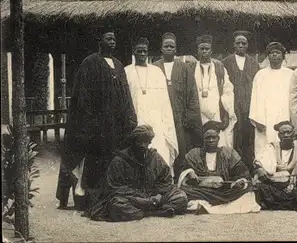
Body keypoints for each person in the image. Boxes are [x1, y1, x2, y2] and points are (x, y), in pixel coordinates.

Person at [56, 27, 137, 211]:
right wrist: (90, 121)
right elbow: (82, 96)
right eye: (108, 38)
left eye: (114, 39)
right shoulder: (89, 63)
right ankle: (86, 198)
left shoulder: (118, 65)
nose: (112, 41)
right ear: (99, 41)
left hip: (115, 127)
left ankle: (109, 196)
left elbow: (126, 95)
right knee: (92, 164)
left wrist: (129, 117)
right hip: (97, 127)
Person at [87, 125, 188, 222]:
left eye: (147, 142)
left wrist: (158, 195)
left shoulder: (155, 157)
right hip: (133, 199)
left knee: (181, 197)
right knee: (116, 205)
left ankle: (148, 210)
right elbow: (114, 187)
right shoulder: (119, 160)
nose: (144, 146)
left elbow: (165, 180)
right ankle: (153, 213)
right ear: (133, 142)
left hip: (154, 197)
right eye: (140, 142)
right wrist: (141, 198)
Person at [178, 121, 260, 214]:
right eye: (208, 138)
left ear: (218, 138)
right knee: (184, 191)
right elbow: (183, 169)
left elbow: (242, 172)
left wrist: (239, 182)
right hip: (202, 191)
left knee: (248, 190)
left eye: (214, 137)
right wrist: (190, 171)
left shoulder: (228, 153)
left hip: (224, 191)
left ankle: (203, 206)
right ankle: (206, 205)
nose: (211, 140)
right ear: (203, 139)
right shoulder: (194, 154)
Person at [153, 32, 202, 181]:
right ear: (161, 49)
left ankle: (181, 180)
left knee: (182, 148)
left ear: (176, 50)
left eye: (171, 46)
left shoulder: (184, 68)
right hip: (161, 117)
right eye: (166, 46)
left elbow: (192, 93)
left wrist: (189, 117)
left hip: (180, 118)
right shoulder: (154, 67)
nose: (169, 49)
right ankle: (164, 178)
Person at [124, 37, 178, 170]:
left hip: (156, 121)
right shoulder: (126, 71)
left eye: (145, 51)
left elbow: (164, 100)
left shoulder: (157, 72)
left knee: (158, 150)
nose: (142, 54)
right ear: (134, 52)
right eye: (139, 51)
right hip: (136, 119)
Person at [222, 30, 260, 170]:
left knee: (249, 137)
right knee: (234, 136)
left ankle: (249, 168)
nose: (241, 45)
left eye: (243, 43)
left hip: (249, 106)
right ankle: (235, 168)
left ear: (247, 45)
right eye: (238, 43)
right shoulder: (225, 62)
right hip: (233, 106)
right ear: (234, 45)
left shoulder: (254, 64)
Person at [190, 34, 237, 148]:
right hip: (198, 113)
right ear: (198, 51)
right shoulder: (190, 68)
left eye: (207, 49)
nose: (204, 51)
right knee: (200, 143)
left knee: (219, 143)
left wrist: (227, 111)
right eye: (202, 49)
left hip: (217, 113)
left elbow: (227, 89)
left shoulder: (219, 67)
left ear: (211, 51)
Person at [249, 42, 294, 157]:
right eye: (272, 53)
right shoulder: (260, 74)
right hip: (265, 118)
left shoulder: (290, 74)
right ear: (268, 56)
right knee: (264, 147)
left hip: (284, 116)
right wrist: (257, 119)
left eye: (277, 53)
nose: (274, 55)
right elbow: (255, 97)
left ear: (283, 56)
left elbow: (294, 98)